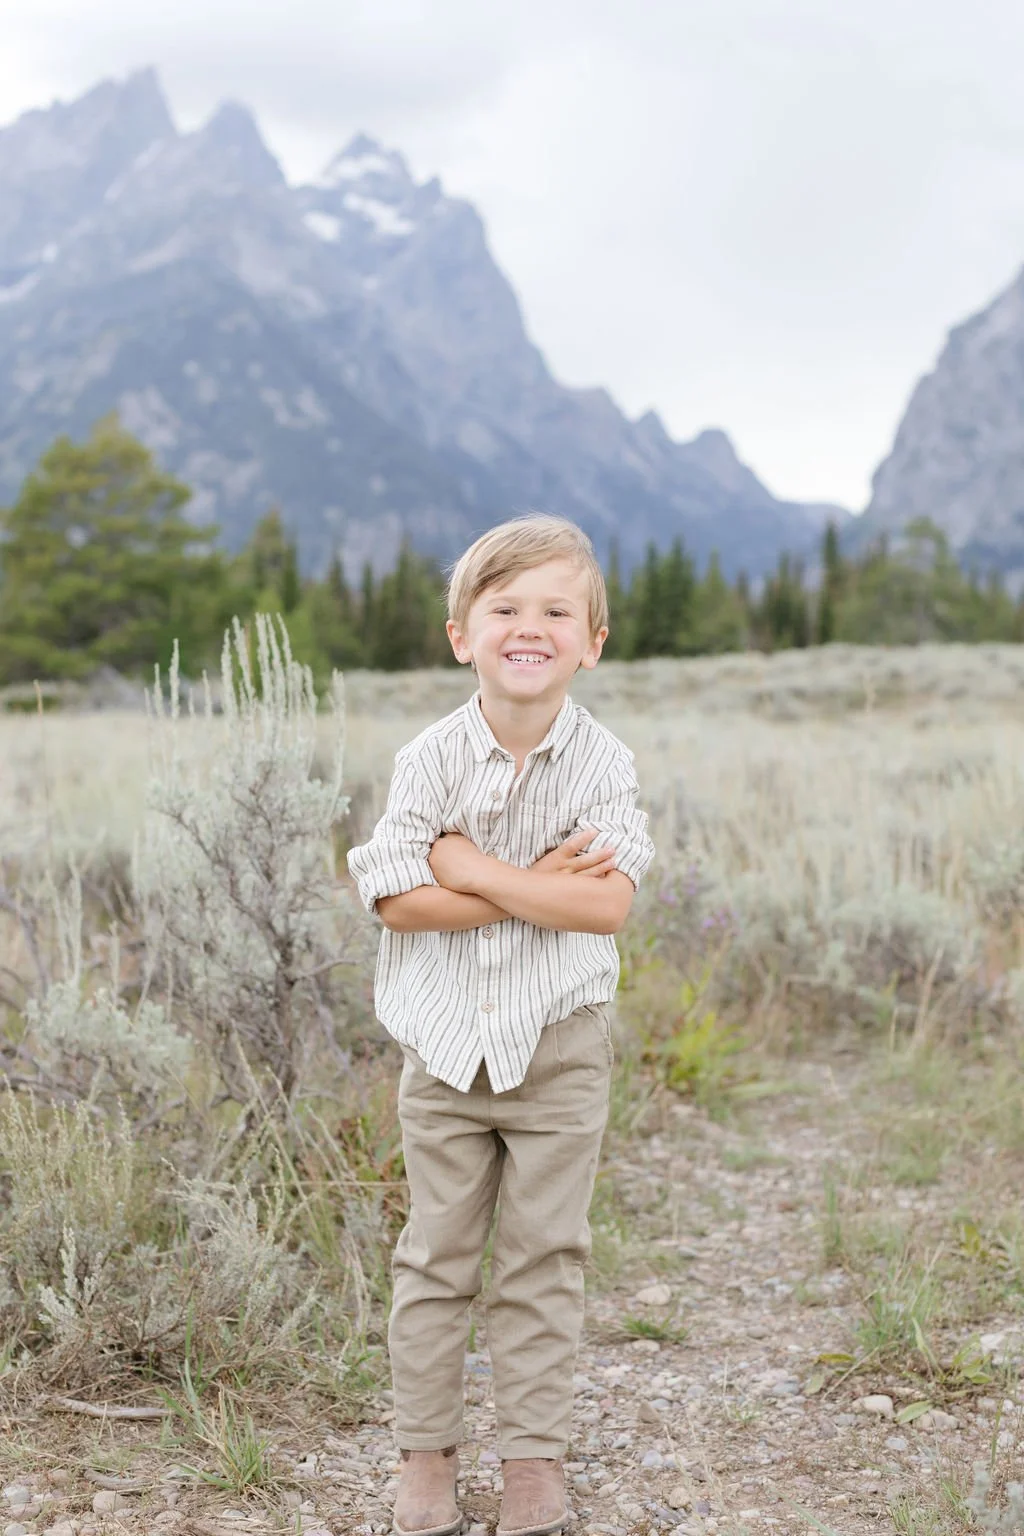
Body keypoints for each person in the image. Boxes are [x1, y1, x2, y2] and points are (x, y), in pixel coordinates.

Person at [347, 514, 655, 1536]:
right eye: (505, 608)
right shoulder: (429, 757)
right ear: (460, 634)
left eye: (556, 611)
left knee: (542, 1254)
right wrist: (533, 887)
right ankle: (424, 1458)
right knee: (436, 1255)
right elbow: (393, 899)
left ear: (592, 640)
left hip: (560, 1046)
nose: (531, 627)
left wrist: (470, 868)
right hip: (442, 1048)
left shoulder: (603, 764)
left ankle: (533, 1465)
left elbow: (605, 906)